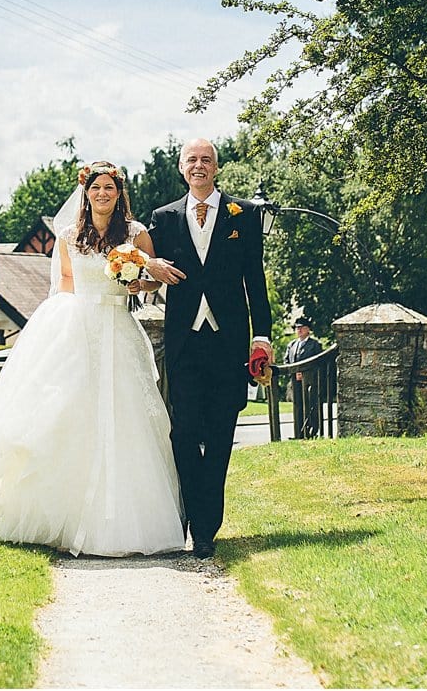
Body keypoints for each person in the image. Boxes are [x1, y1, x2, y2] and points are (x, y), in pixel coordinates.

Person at [0, 160, 185, 557]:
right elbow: (65, 284)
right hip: (79, 328)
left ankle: (120, 522)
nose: (102, 194)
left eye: (110, 187)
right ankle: (62, 517)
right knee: (69, 415)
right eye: (96, 188)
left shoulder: (137, 234)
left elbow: (152, 281)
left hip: (118, 329)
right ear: (85, 192)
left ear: (119, 193)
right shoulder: (69, 235)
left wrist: (136, 278)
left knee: (126, 419)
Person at [142, 137, 272, 559]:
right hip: (183, 344)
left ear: (216, 168)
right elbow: (143, 277)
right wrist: (148, 267)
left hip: (228, 343)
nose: (199, 166)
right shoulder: (163, 219)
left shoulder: (245, 215)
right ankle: (191, 513)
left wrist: (262, 338)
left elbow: (256, 281)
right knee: (183, 434)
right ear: (181, 168)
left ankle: (206, 529)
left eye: (206, 160)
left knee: (219, 437)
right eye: (192, 160)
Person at [284, 316, 324, 438]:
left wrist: (305, 373)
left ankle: (313, 432)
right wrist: (293, 373)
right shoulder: (291, 345)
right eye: (297, 328)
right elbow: (286, 361)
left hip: (310, 382)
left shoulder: (315, 345)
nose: (299, 330)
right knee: (297, 407)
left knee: (311, 406)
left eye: (302, 328)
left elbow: (318, 363)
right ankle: (298, 433)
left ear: (308, 330)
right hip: (295, 382)